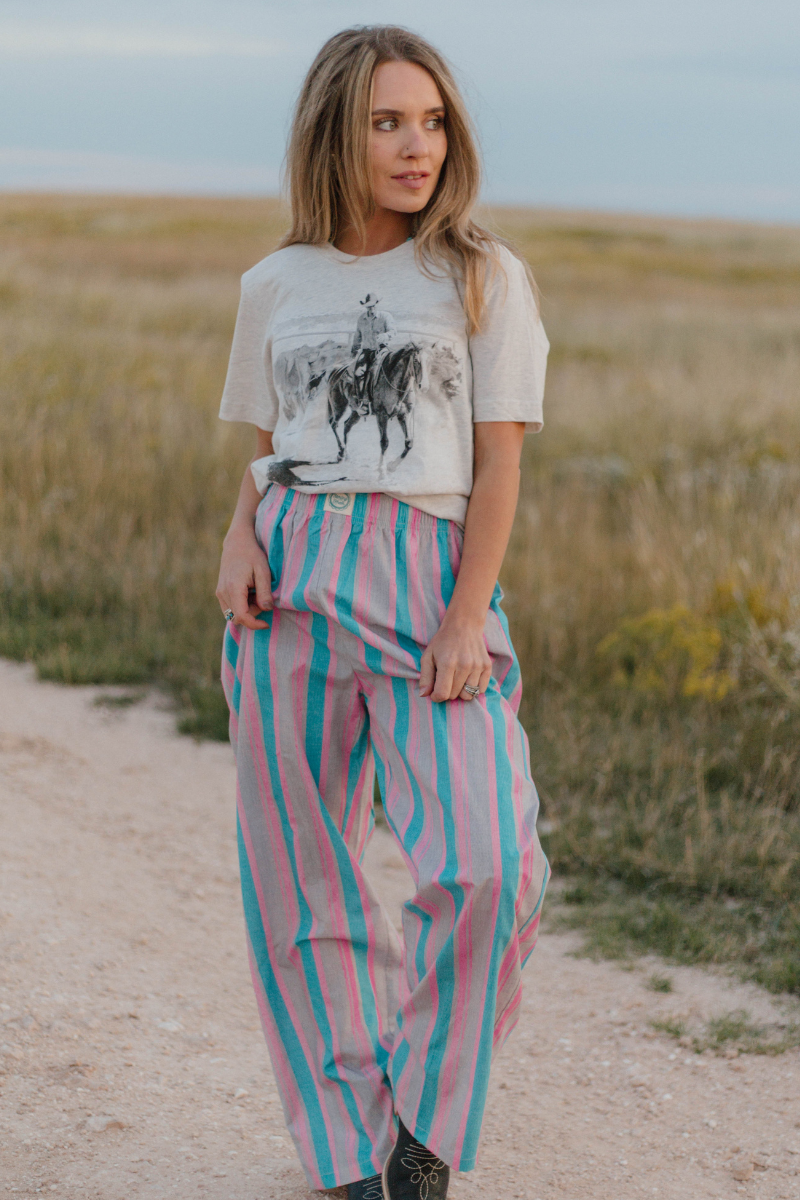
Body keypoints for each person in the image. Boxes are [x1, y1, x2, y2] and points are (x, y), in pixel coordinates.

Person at [215, 25, 550, 1200]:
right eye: (387, 122)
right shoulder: (274, 284)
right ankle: (352, 1155)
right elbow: (275, 443)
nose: (418, 146)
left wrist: (466, 614)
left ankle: (422, 1120)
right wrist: (237, 534)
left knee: (493, 865)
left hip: (427, 578)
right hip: (288, 576)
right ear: (334, 133)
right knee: (298, 878)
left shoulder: (480, 273)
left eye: (433, 121)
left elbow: (497, 464)